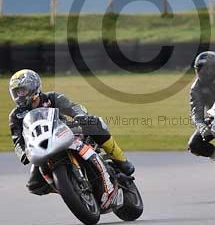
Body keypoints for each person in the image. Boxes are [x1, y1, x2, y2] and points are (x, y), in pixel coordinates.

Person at [8, 69, 135, 199]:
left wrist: (79, 115)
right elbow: (17, 140)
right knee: (34, 185)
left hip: (65, 130)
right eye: (16, 92)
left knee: (95, 123)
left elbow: (73, 107)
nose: (19, 96)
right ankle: (70, 188)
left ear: (34, 87)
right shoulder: (15, 116)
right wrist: (24, 153)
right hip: (42, 145)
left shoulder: (51, 98)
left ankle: (121, 161)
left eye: (22, 90)